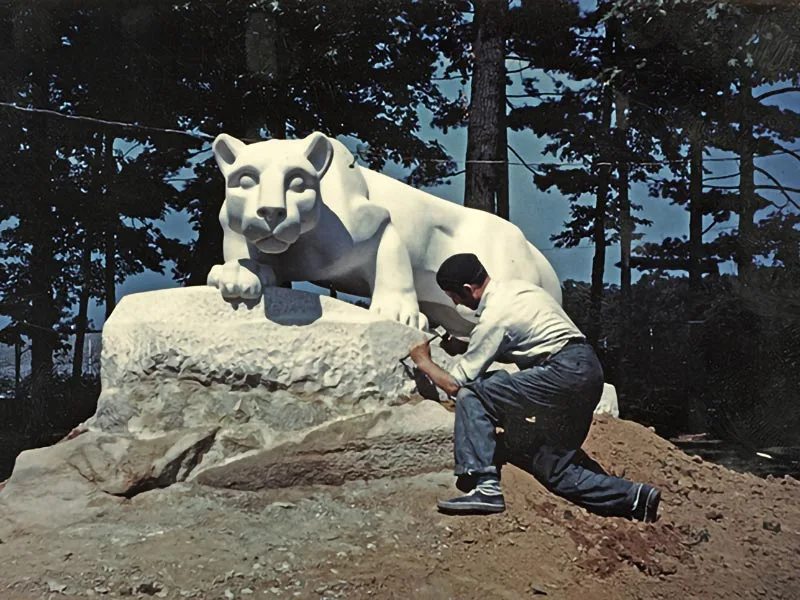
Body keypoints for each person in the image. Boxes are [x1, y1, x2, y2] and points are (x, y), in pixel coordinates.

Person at [408, 253, 661, 522]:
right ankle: (634, 497)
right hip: (587, 370)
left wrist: (423, 362)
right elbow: (527, 338)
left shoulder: (494, 318)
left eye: (453, 296)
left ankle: (485, 485)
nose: (454, 302)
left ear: (468, 290)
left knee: (474, 393)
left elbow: (456, 384)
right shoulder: (520, 289)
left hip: (560, 373)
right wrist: (467, 344)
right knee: (553, 467)